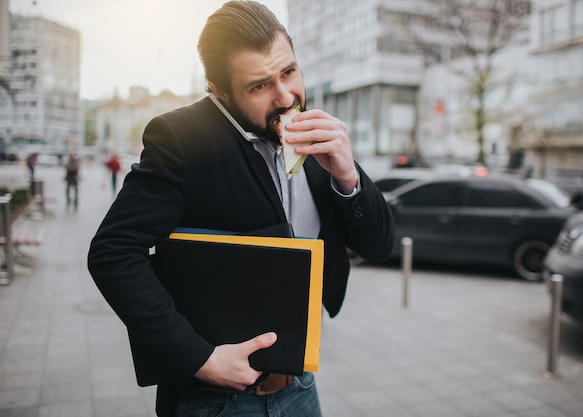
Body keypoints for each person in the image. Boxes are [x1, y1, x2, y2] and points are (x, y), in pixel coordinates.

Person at [87, 2, 394, 417]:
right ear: (218, 90)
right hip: (218, 401)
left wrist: (347, 175)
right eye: (259, 86)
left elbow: (379, 246)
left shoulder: (318, 135)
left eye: (289, 72)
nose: (286, 98)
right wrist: (196, 356)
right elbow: (113, 252)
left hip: (301, 386)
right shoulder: (181, 137)